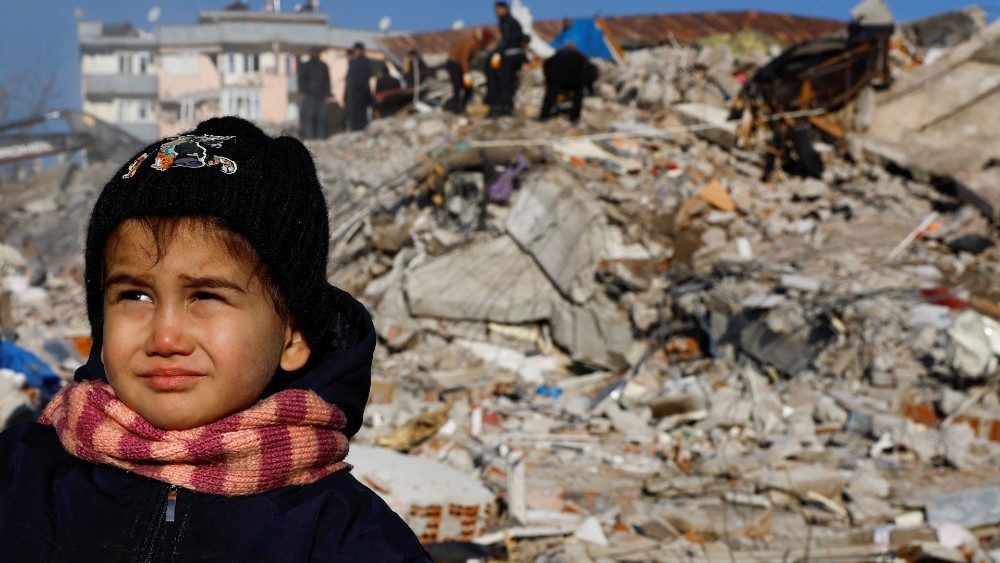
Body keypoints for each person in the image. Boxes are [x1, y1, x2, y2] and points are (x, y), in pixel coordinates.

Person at [0, 116, 432, 562]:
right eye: (135, 294)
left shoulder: (345, 534)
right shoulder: (22, 477)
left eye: (206, 295)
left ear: (293, 335)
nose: (165, 337)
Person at [486, 1, 527, 117]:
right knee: (505, 81)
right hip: (511, 55)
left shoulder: (509, 22)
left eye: (498, 9)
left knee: (505, 82)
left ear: (504, 9)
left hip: (511, 55)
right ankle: (504, 106)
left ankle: (505, 107)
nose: (496, 12)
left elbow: (508, 39)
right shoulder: (505, 21)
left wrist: (497, 52)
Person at [540, 44, 598, 123]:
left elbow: (547, 65)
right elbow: (590, 73)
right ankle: (574, 117)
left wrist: (548, 80)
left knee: (550, 96)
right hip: (575, 81)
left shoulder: (558, 55)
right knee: (578, 98)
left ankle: (544, 116)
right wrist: (589, 88)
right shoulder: (581, 57)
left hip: (557, 79)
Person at [445, 28, 494, 114]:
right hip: (454, 64)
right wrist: (466, 74)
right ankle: (454, 108)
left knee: (468, 88)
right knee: (458, 86)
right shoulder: (471, 43)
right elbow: (464, 59)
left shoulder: (478, 44)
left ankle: (461, 107)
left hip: (459, 65)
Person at [297, 47, 332, 140]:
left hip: (321, 96)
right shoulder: (305, 65)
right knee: (309, 118)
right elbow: (301, 79)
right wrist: (302, 91)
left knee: (321, 118)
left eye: (316, 52)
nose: (315, 54)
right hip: (309, 96)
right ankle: (309, 138)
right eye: (313, 52)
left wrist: (328, 93)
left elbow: (327, 81)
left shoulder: (323, 66)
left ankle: (320, 138)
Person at [345, 42, 374, 131]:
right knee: (354, 113)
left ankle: (360, 128)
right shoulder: (354, 61)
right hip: (353, 92)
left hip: (360, 92)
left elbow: (363, 77)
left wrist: (357, 88)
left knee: (360, 113)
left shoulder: (363, 62)